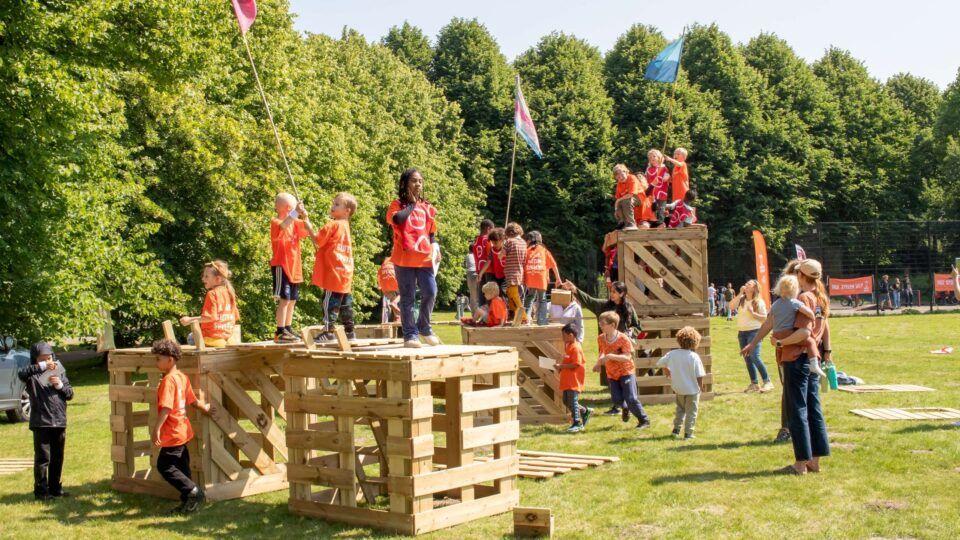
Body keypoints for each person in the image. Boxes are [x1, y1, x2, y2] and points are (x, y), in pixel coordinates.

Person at [743, 259, 832, 471]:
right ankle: (814, 462)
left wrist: (780, 342)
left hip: (796, 358)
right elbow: (773, 321)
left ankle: (800, 464)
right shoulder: (819, 297)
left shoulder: (802, 298)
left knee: (797, 410)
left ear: (800, 275)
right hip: (813, 358)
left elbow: (804, 333)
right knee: (813, 409)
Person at [151, 339, 214, 513]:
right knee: (181, 466)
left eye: (158, 359)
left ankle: (194, 491)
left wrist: (157, 429)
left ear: (170, 359)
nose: (156, 362)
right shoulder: (182, 377)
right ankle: (189, 502)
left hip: (172, 432)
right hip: (183, 430)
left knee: (165, 466)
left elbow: (166, 407)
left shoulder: (168, 381)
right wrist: (204, 407)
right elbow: (192, 400)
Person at [561, 279, 641, 415]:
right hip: (608, 347)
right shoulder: (604, 306)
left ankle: (629, 404)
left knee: (625, 376)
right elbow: (589, 300)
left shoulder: (628, 308)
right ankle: (617, 406)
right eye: (611, 291)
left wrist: (631, 332)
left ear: (622, 293)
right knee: (612, 377)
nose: (611, 294)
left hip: (623, 349)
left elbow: (637, 325)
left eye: (614, 292)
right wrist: (575, 289)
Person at [386, 168, 441, 348]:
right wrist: (411, 204)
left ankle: (424, 328)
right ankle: (410, 335)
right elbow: (397, 220)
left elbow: (430, 233)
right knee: (407, 297)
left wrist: (435, 247)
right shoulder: (397, 204)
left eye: (420, 181)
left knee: (430, 292)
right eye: (413, 180)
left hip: (424, 257)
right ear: (405, 184)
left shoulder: (427, 207)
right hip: (404, 258)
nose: (418, 184)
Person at [18, 342, 73, 500]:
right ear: (36, 360)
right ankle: (41, 491)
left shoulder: (58, 371)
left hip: (59, 419)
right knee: (43, 458)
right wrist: (42, 366)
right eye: (43, 359)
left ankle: (55, 488)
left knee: (58, 457)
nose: (48, 361)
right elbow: (22, 374)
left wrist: (60, 385)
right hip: (41, 421)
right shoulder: (32, 374)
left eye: (49, 358)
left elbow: (69, 394)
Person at [593, 311, 651, 430]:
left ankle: (644, 420)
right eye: (599, 323)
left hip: (626, 372)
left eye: (603, 324)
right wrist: (598, 363)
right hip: (612, 373)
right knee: (616, 399)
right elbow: (602, 351)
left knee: (631, 398)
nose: (600, 325)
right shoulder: (601, 338)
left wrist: (610, 356)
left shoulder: (623, 338)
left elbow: (627, 357)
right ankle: (625, 408)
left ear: (613, 325)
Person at [270, 192, 315, 343]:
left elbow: (307, 230)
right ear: (289, 207)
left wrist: (305, 216)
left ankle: (288, 328)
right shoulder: (276, 221)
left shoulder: (295, 222)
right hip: (282, 265)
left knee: (292, 300)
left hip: (294, 268)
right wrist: (296, 212)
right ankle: (280, 331)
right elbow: (283, 226)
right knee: (284, 299)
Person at [312, 192, 357, 340]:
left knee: (329, 303)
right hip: (345, 272)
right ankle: (350, 332)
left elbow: (318, 240)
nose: (333, 206)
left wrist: (307, 224)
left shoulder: (333, 224)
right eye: (333, 203)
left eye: (337, 204)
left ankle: (328, 332)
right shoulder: (345, 226)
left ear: (347, 211)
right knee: (345, 304)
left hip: (334, 272)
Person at [657, 327, 706, 440]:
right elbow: (699, 374)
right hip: (692, 390)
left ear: (679, 340)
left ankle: (676, 430)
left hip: (678, 388)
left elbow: (659, 363)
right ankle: (688, 433)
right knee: (691, 412)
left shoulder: (672, 354)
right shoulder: (694, 356)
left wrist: (665, 368)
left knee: (680, 410)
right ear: (695, 341)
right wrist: (701, 387)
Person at [179, 260, 239, 348]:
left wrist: (189, 320)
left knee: (190, 338)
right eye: (203, 276)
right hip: (227, 339)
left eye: (206, 276)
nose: (203, 279)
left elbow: (209, 317)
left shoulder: (212, 294)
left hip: (212, 339)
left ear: (217, 279)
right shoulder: (230, 293)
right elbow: (235, 317)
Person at [730, 280, 772, 393]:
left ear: (754, 288)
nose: (746, 285)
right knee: (747, 359)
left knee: (755, 356)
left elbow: (765, 318)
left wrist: (753, 313)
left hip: (755, 332)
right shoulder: (741, 299)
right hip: (742, 333)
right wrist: (740, 293)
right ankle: (754, 383)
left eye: (749, 284)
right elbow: (731, 306)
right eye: (746, 284)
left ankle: (767, 382)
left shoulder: (758, 301)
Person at [556, 323, 592, 433]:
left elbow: (576, 364)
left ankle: (577, 423)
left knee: (573, 401)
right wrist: (560, 367)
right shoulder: (569, 346)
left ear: (571, 335)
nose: (562, 337)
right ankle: (585, 411)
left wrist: (561, 366)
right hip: (567, 380)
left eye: (564, 335)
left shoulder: (576, 347)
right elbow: (568, 361)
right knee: (566, 401)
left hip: (574, 380)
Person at [524, 231, 561, 325]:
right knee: (542, 299)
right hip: (540, 278)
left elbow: (523, 264)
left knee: (530, 298)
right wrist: (558, 278)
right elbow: (553, 265)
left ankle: (527, 319)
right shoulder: (544, 250)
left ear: (530, 240)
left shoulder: (527, 250)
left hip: (530, 276)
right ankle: (542, 320)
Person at [503, 223, 528, 324]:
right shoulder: (524, 243)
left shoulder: (509, 241)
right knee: (510, 294)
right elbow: (525, 259)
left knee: (514, 296)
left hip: (511, 273)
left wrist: (503, 245)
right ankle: (514, 316)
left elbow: (501, 255)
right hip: (520, 273)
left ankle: (524, 317)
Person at [477, 228, 506, 297]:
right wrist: (481, 273)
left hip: (506, 276)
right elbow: (488, 261)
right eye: (492, 243)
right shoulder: (492, 250)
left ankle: (505, 303)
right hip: (497, 275)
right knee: (495, 292)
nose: (494, 245)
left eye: (495, 243)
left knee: (503, 290)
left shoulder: (506, 249)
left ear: (502, 240)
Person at [645, 149, 670, 226]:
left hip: (661, 192)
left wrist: (667, 176)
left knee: (661, 209)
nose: (652, 158)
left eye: (654, 156)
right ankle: (653, 223)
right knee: (653, 209)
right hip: (652, 193)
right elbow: (646, 179)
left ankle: (660, 223)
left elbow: (667, 175)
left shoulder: (663, 168)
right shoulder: (648, 169)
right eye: (650, 157)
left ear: (659, 157)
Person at [613, 164, 641, 231]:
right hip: (628, 199)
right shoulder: (619, 184)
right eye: (618, 177)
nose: (621, 178)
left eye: (622, 175)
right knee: (620, 203)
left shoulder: (632, 178)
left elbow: (631, 194)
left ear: (626, 172)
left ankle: (632, 224)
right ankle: (623, 223)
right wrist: (616, 210)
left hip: (639, 198)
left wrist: (618, 201)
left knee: (626, 201)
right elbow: (618, 198)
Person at [472, 219, 494, 307]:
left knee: (482, 295)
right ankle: (490, 313)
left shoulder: (475, 240)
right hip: (489, 270)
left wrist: (480, 273)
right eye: (492, 229)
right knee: (490, 295)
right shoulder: (488, 240)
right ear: (488, 229)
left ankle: (482, 313)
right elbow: (490, 257)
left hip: (479, 270)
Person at [378, 257, 400, 324]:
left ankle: (397, 317)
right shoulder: (396, 259)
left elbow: (379, 275)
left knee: (392, 297)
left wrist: (380, 286)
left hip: (384, 282)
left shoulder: (383, 265)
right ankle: (395, 303)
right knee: (404, 292)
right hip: (392, 278)